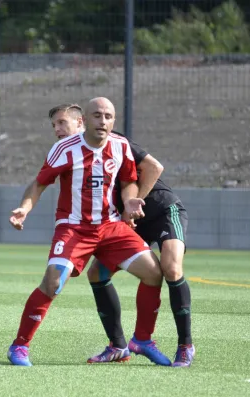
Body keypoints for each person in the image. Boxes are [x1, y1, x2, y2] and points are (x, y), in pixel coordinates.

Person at [7, 98, 171, 367]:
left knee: (154, 273)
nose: (103, 121)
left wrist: (131, 200)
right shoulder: (64, 148)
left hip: (111, 226)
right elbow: (39, 184)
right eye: (97, 115)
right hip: (74, 228)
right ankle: (19, 346)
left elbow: (130, 180)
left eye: (108, 116)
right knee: (53, 283)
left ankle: (141, 340)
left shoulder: (120, 146)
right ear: (86, 119)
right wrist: (25, 208)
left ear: (113, 121)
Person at [48, 103, 195, 367]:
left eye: (62, 123)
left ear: (81, 122)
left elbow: (154, 167)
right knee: (97, 274)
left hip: (160, 209)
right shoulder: (70, 153)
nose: (58, 130)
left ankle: (185, 345)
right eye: (54, 125)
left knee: (171, 268)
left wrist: (134, 202)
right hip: (127, 222)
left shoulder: (115, 141)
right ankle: (119, 345)